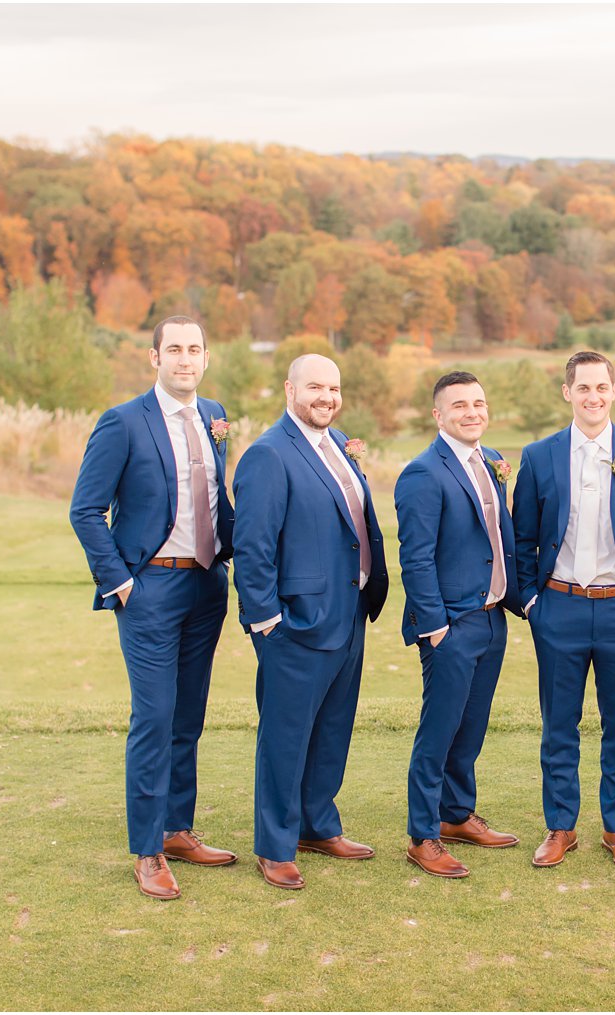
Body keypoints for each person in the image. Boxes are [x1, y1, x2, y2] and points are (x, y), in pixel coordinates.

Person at [69, 316, 237, 900]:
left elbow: (219, 502)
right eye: (174, 349)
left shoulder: (215, 415)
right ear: (154, 357)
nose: (185, 359)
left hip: (206, 586)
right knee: (155, 718)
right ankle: (147, 852)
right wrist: (119, 583)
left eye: (195, 348)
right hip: (150, 591)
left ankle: (177, 829)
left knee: (188, 717)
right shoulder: (122, 422)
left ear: (205, 357)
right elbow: (85, 511)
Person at [511, 352, 615, 870]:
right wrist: (532, 602)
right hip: (558, 607)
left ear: (614, 389)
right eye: (583, 388)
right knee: (559, 722)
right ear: (568, 392)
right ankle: (561, 827)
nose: (593, 397)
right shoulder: (539, 457)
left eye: (601, 387)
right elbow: (523, 538)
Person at [232, 354, 389, 890]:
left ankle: (317, 825)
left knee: (332, 730)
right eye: (315, 387)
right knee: (286, 736)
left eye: (334, 388)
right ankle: (275, 845)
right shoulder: (268, 455)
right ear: (289, 389)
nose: (326, 397)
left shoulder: (339, 445)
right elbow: (251, 546)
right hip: (295, 624)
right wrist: (267, 621)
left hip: (348, 614)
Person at [395, 371, 523, 878]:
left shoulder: (489, 464)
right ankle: (423, 835)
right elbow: (416, 558)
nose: (472, 412)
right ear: (438, 415)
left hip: (491, 620)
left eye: (478, 403)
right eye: (460, 405)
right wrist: (436, 627)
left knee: (470, 729)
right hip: (450, 625)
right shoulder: (424, 473)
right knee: (439, 731)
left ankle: (456, 815)